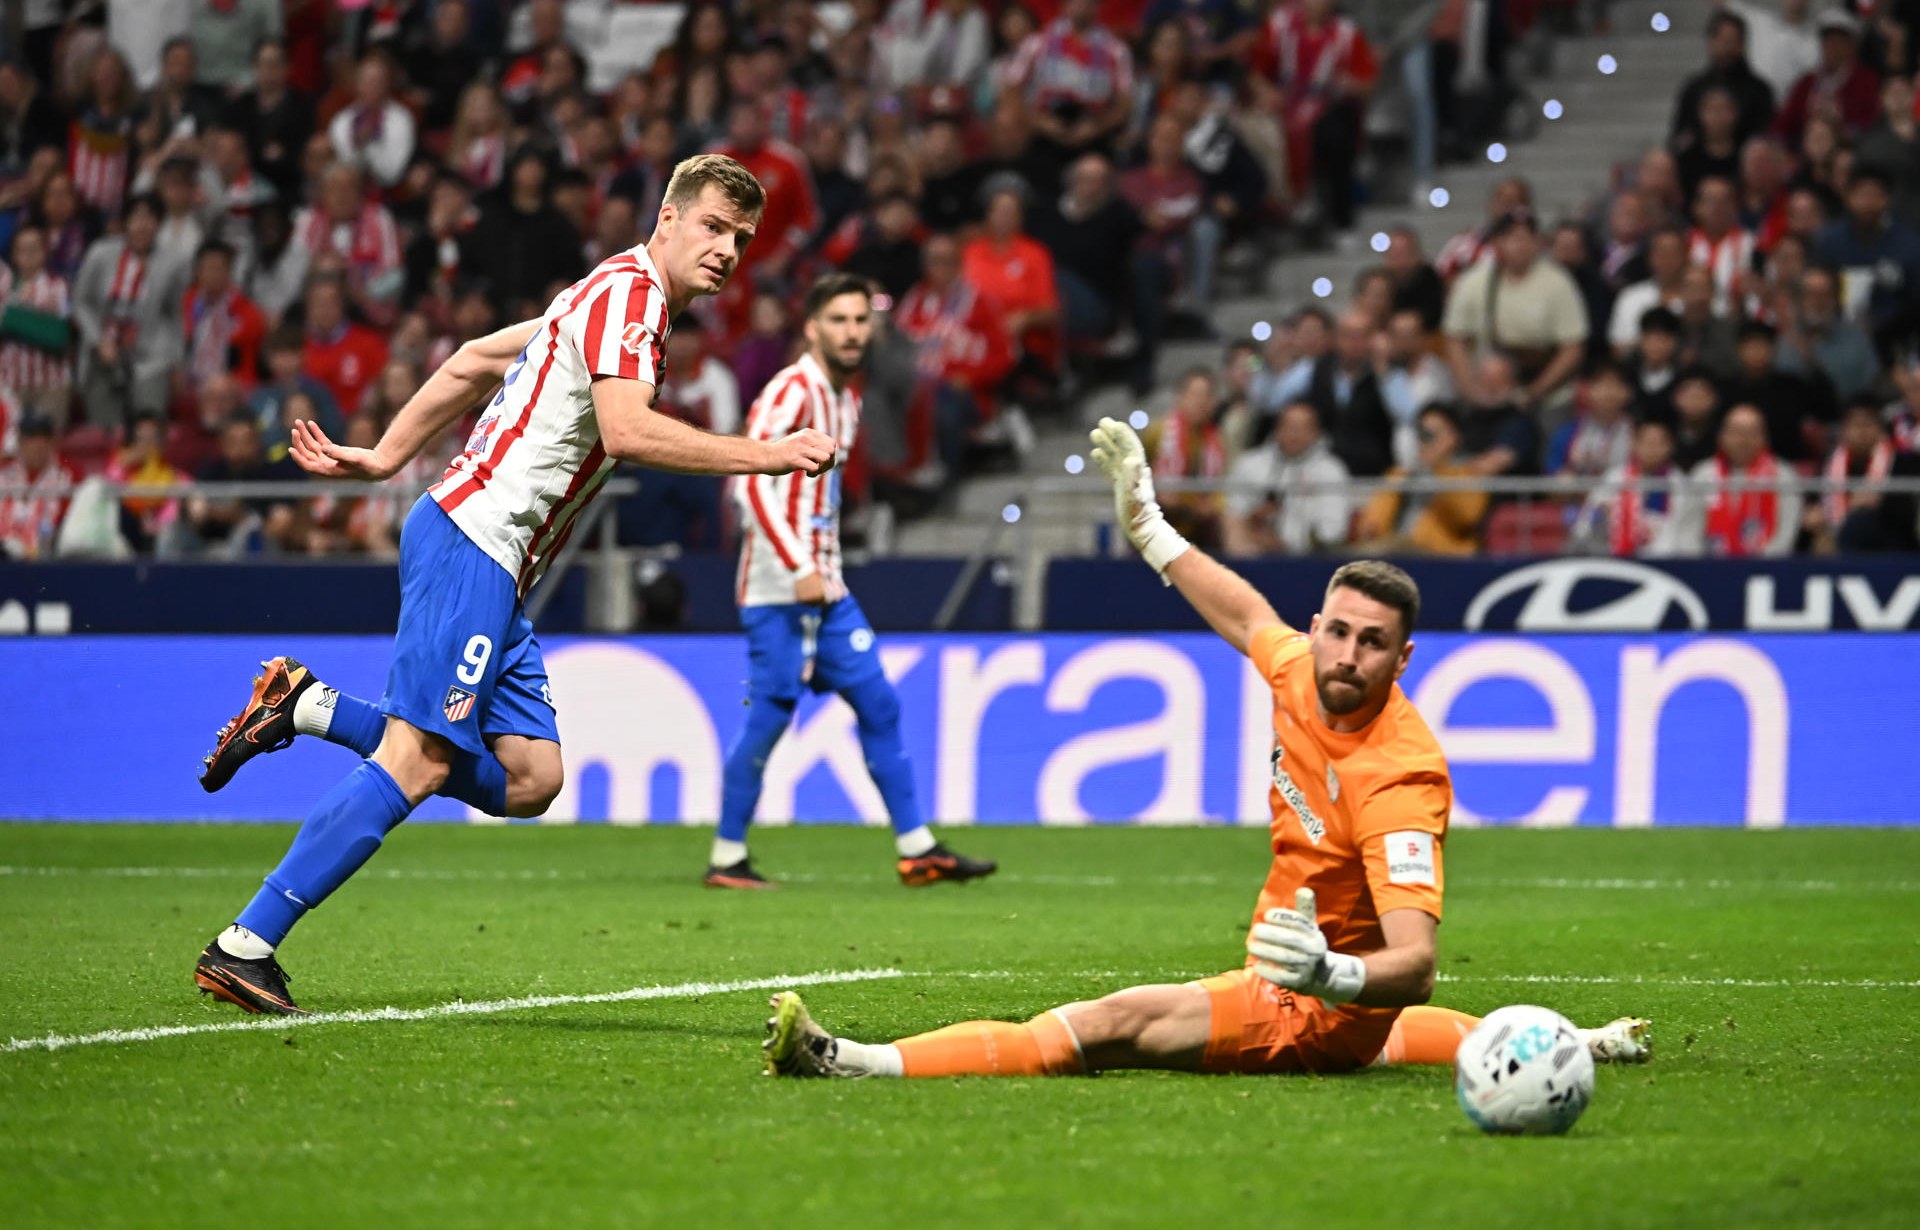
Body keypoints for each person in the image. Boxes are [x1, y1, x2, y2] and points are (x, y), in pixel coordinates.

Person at [763, 417, 1649, 1080]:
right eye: (1338, 632)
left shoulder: (1399, 776)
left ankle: (855, 1061)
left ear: (1402, 659)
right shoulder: (1302, 670)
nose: (1347, 656)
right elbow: (1244, 612)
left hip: (1313, 1005)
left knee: (1101, 1025)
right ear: (1318, 628)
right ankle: (1568, 1041)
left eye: (1372, 643)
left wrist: (1331, 975)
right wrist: (1147, 524)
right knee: (1395, 1041)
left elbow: (1414, 967)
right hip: (1306, 978)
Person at [188, 156, 838, 1016]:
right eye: (714, 226)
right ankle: (246, 944)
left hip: (497, 561)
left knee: (531, 778)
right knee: (418, 760)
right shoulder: (630, 299)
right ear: (669, 219)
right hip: (475, 541)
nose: (727, 249)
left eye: (742, 239)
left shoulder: (602, 293)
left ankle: (306, 705)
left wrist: (386, 456)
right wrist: (770, 454)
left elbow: (472, 360)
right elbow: (627, 430)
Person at [712, 274, 996, 891]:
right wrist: (799, 567)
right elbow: (749, 484)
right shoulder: (793, 390)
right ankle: (727, 856)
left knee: (880, 704)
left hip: (827, 590)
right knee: (768, 720)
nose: (851, 332)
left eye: (861, 321)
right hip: (779, 591)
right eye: (838, 320)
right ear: (812, 328)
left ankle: (918, 849)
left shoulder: (845, 398)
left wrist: (823, 568)